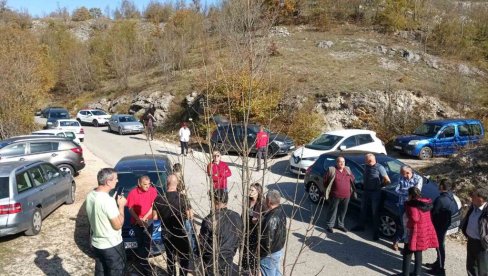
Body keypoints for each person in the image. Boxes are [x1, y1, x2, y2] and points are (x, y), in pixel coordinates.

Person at [85, 168, 127, 276]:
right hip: (111, 246)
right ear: (108, 182)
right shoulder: (107, 201)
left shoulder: (90, 195)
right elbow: (118, 225)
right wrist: (121, 206)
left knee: (101, 273)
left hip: (97, 244)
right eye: (115, 179)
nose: (117, 181)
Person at [153, 174, 193, 276]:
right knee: (184, 259)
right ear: (178, 184)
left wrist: (156, 237)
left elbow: (155, 219)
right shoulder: (183, 198)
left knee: (170, 259)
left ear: (167, 184)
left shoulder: (158, 199)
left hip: (167, 234)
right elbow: (190, 216)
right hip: (180, 233)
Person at [199, 190, 243, 276]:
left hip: (212, 260)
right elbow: (239, 237)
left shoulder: (209, 220)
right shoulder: (236, 216)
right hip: (228, 257)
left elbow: (203, 244)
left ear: (214, 201)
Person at [352, 153, 391, 241]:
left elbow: (388, 180)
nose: (366, 162)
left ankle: (376, 233)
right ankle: (360, 226)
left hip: (375, 193)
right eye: (366, 160)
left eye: (367, 160)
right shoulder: (366, 166)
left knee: (375, 213)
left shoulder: (379, 167)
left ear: (372, 160)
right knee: (363, 209)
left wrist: (380, 186)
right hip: (366, 191)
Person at [400, 187, 439, 276]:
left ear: (411, 195)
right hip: (423, 231)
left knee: (407, 253)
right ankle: (417, 273)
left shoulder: (412, 205)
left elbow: (415, 218)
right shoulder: (426, 202)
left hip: (414, 232)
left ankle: (405, 274)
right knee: (418, 253)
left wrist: (408, 223)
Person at [126, 175, 158, 275]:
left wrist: (144, 218)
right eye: (145, 184)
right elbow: (130, 208)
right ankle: (143, 264)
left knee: (148, 243)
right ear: (139, 184)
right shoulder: (132, 193)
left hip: (148, 221)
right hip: (136, 222)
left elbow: (153, 205)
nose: (147, 186)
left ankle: (144, 262)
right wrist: (138, 219)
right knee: (140, 243)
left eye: (149, 184)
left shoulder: (153, 190)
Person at [427, 179, 459, 275]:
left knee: (439, 247)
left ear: (441, 186)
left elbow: (433, 214)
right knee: (440, 246)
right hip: (445, 225)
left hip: (438, 226)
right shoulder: (452, 197)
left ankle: (440, 269)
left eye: (439, 184)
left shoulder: (440, 199)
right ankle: (437, 264)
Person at [393, 166, 423, 251]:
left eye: (402, 173)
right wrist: (409, 192)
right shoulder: (401, 177)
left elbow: (417, 192)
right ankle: (396, 241)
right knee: (402, 224)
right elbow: (396, 190)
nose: (401, 175)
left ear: (408, 173)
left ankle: (410, 243)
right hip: (402, 204)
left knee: (412, 225)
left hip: (413, 206)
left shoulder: (418, 178)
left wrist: (405, 190)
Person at [323, 156, 356, 233]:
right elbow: (325, 181)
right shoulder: (332, 170)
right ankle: (329, 225)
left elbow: (353, 179)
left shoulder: (347, 170)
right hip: (335, 195)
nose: (342, 163)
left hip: (346, 195)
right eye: (340, 162)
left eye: (343, 161)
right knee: (332, 211)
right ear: (336, 162)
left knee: (343, 211)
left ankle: (340, 225)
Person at [461, 188, 488, 276]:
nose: (471, 198)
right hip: (471, 241)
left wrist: (486, 240)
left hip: (482, 245)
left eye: (474, 196)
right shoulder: (473, 207)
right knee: (471, 267)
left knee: (483, 270)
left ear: (480, 199)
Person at [260, 189, 287, 276]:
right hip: (278, 250)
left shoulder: (270, 219)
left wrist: (260, 254)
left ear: (268, 201)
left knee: (269, 273)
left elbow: (267, 242)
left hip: (269, 255)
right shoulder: (281, 212)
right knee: (276, 273)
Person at [242, 183, 266, 275]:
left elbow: (266, 219)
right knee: (245, 252)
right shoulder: (247, 201)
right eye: (249, 190)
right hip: (247, 230)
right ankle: (247, 271)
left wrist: (258, 221)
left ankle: (254, 273)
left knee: (253, 255)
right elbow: (243, 214)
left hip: (256, 232)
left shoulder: (262, 204)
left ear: (258, 192)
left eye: (252, 190)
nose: (250, 192)